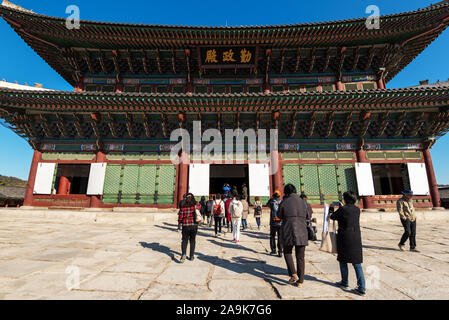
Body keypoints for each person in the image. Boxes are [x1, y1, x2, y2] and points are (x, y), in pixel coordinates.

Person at [329, 191, 366, 296]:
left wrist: (332, 208)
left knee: (343, 260)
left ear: (346, 199)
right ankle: (362, 287)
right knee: (357, 263)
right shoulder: (357, 209)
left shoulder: (343, 209)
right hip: (356, 237)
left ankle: (344, 282)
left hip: (345, 238)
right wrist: (342, 207)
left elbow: (332, 216)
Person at [278, 184, 308, 287]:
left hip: (288, 230)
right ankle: (301, 280)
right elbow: (308, 215)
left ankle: (293, 273)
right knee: (300, 257)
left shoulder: (284, 201)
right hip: (302, 231)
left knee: (287, 252)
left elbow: (279, 215)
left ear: (286, 192)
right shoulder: (303, 202)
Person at [178, 193, 199, 263]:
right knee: (192, 240)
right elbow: (200, 208)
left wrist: (181, 222)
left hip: (185, 225)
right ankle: (191, 255)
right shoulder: (195, 206)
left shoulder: (183, 206)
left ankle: (183, 254)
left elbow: (180, 217)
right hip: (194, 226)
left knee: (184, 240)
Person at [267, 190, 283, 257]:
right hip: (280, 222)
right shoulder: (282, 202)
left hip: (273, 222)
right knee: (280, 237)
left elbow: (267, 204)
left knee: (272, 236)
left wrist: (271, 198)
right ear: (279, 195)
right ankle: (280, 251)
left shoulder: (272, 202)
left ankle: (273, 250)